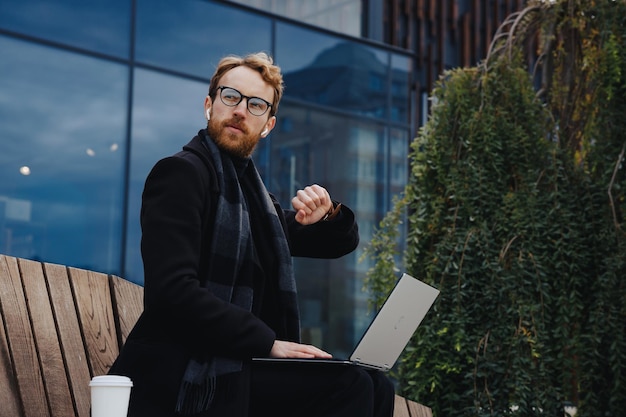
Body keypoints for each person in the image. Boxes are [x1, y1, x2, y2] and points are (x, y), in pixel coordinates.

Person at [109, 52, 395, 417]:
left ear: (268, 125)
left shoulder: (255, 202)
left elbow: (338, 243)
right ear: (209, 105)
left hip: (238, 366)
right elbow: (172, 293)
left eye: (256, 105)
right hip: (183, 375)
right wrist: (268, 343)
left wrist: (328, 216)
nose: (241, 110)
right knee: (347, 384)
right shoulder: (181, 175)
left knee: (377, 383)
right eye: (231, 97)